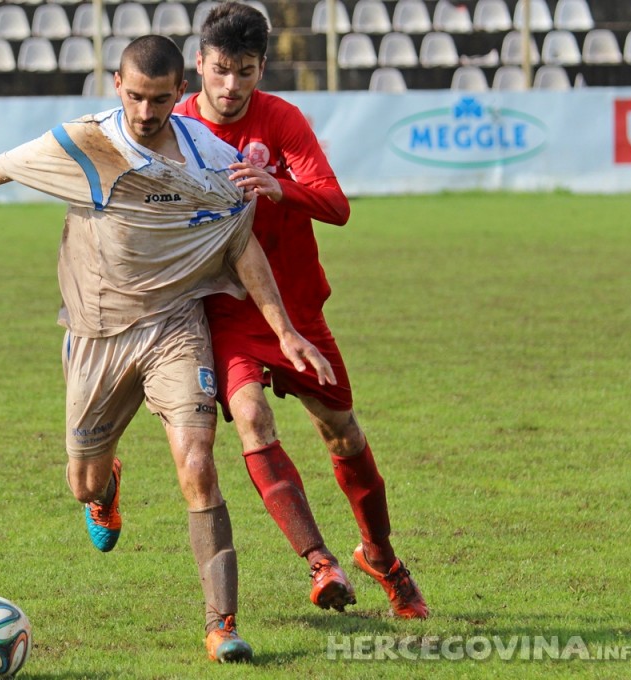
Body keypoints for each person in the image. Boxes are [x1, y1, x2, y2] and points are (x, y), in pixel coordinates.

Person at [0, 35, 336, 662]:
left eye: (158, 99)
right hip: (97, 336)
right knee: (83, 484)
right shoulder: (88, 143)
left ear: (180, 93)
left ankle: (222, 624)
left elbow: (240, 246)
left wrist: (284, 329)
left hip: (176, 329)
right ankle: (106, 488)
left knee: (198, 465)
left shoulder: (211, 158)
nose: (146, 112)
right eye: (134, 97)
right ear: (115, 86)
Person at [175, 2, 429, 619]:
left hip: (297, 307)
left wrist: (280, 186)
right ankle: (321, 564)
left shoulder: (282, 121)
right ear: (200, 64)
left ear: (261, 68)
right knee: (253, 419)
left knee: (342, 434)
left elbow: (337, 206)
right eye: (221, 70)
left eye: (246, 71)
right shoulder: (175, 124)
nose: (232, 87)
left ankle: (381, 556)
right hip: (230, 308)